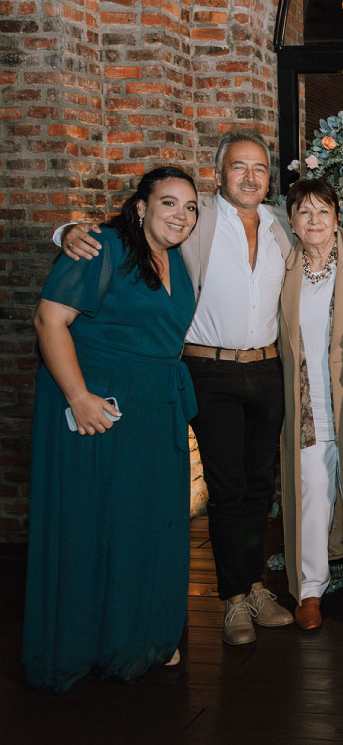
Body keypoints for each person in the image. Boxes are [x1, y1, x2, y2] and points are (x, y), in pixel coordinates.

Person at [56, 131, 343, 646]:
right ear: (219, 174)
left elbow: (334, 241)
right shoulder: (196, 218)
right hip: (210, 371)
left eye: (259, 169)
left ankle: (255, 586)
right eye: (239, 167)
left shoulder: (284, 222)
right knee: (227, 486)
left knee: (260, 486)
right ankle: (232, 597)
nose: (250, 177)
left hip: (270, 370)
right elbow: (135, 228)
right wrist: (66, 232)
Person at [23, 167, 199, 691]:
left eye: (189, 207)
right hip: (101, 408)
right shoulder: (101, 246)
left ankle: (139, 638)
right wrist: (79, 397)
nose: (180, 215)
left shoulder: (174, 257)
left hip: (154, 408)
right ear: (140, 207)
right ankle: (85, 643)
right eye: (168, 203)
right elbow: (48, 321)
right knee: (93, 525)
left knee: (147, 524)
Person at [278, 179, 343, 630]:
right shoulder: (281, 267)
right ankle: (311, 590)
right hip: (306, 407)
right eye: (304, 212)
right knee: (312, 492)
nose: (314, 220)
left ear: (338, 218)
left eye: (323, 211)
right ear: (293, 222)